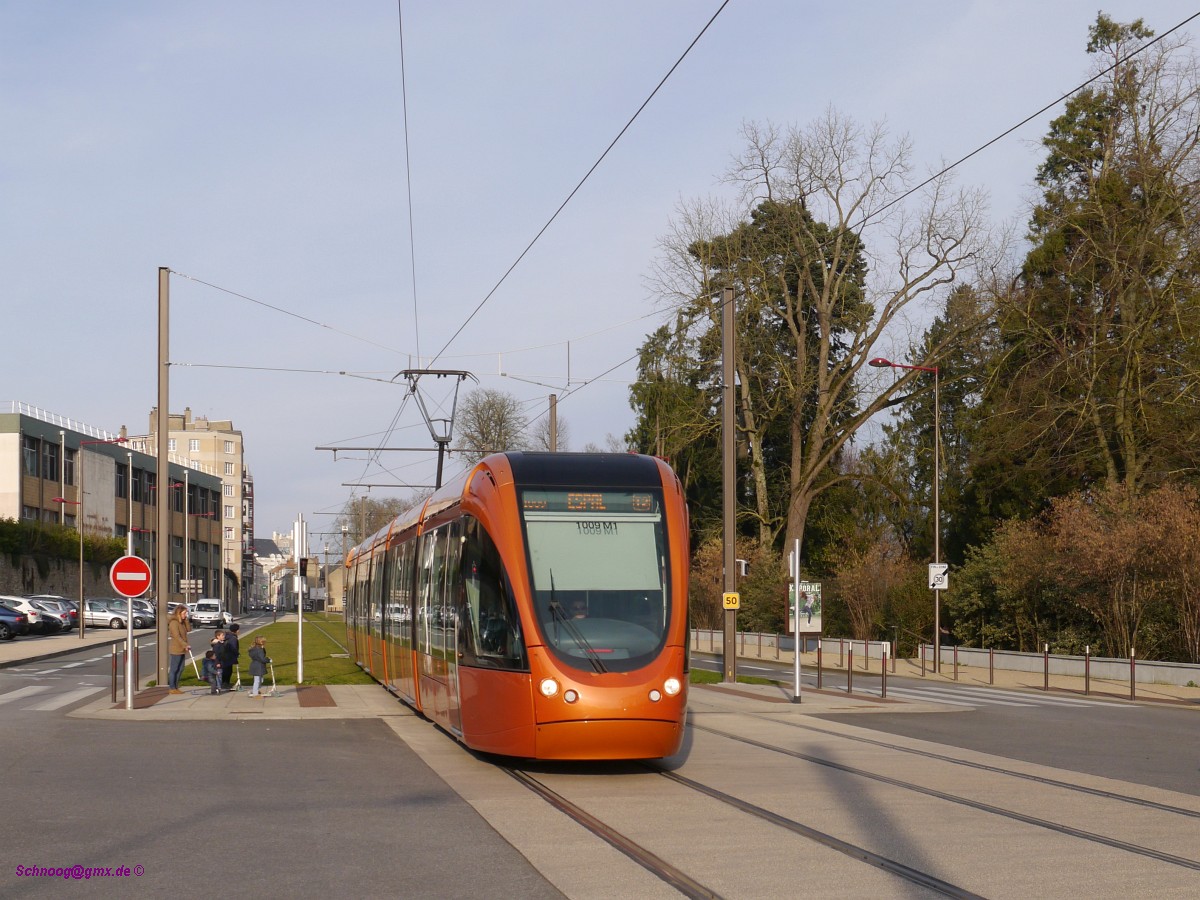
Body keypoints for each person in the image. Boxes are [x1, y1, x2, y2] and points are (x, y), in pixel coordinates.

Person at [167, 605, 190, 694]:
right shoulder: (174, 623)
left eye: (186, 613)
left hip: (182, 649)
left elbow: (189, 629)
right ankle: (172, 687)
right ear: (179, 613)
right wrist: (185, 645)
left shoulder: (182, 622)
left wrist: (186, 620)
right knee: (174, 668)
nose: (186, 614)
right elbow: (177, 636)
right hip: (176, 649)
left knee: (181, 668)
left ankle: (176, 686)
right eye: (184, 613)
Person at [222, 623, 241, 689]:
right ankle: (225, 683)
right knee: (228, 671)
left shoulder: (227, 636)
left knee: (225, 670)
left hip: (225, 656)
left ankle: (224, 682)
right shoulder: (233, 638)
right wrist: (237, 654)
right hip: (229, 656)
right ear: (236, 630)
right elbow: (234, 648)